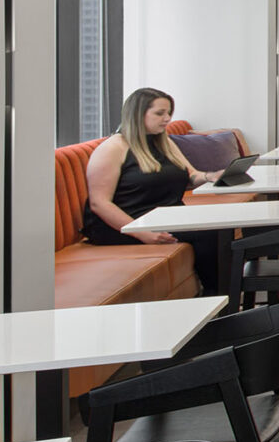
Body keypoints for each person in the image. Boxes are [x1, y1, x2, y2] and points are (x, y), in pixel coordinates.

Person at [83, 87, 228, 294]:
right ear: (137, 114)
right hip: (124, 224)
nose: (167, 119)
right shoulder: (112, 148)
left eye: (169, 113)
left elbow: (191, 175)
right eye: (160, 113)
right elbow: (99, 203)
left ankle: (222, 296)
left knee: (220, 226)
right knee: (207, 234)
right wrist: (142, 233)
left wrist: (210, 176)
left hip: (161, 215)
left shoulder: (164, 142)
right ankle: (218, 299)